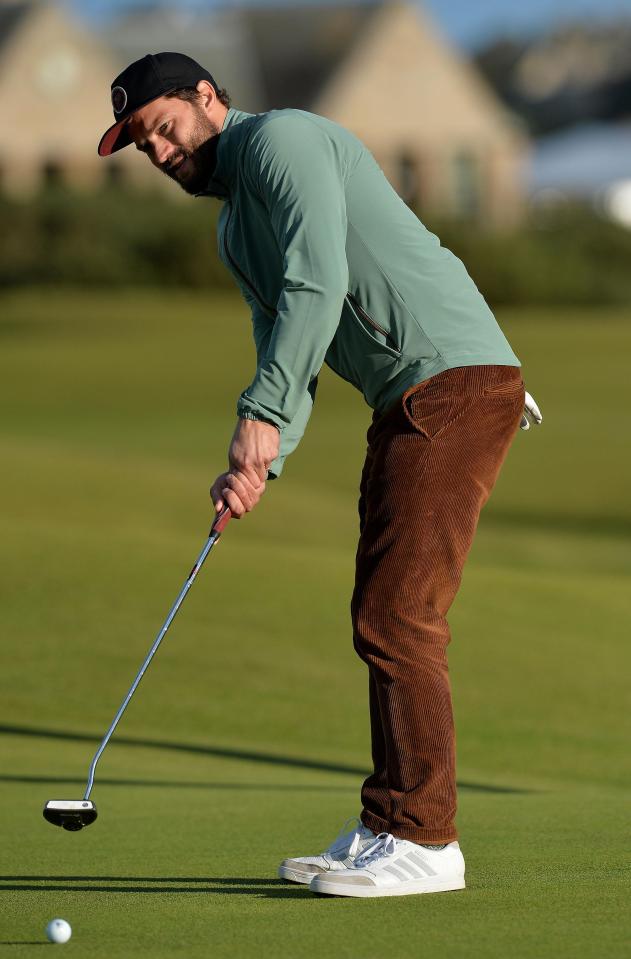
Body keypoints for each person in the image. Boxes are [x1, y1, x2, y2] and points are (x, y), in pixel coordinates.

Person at [98, 52, 542, 898]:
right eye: (139, 145)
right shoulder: (234, 229)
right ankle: (388, 825)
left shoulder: (284, 143)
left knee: (398, 613)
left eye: (163, 127)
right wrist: (262, 459)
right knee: (381, 610)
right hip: (411, 397)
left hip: (450, 382)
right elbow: (284, 350)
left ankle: (426, 839)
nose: (157, 153)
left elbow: (317, 281)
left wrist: (259, 417)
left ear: (207, 98)